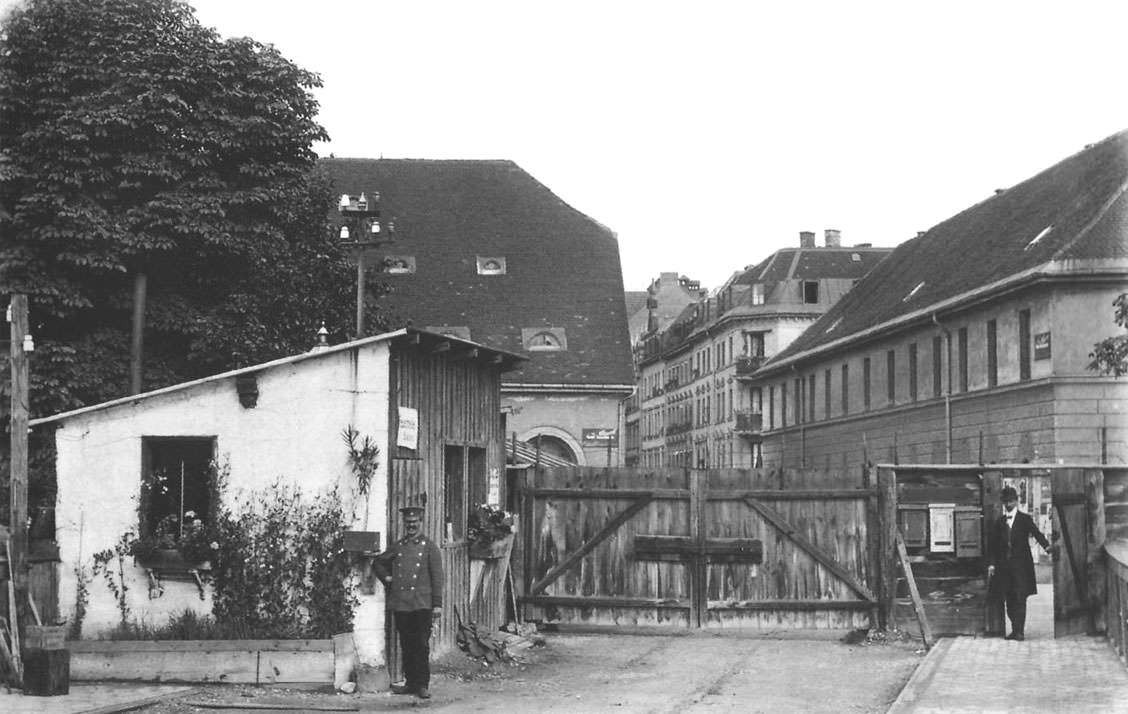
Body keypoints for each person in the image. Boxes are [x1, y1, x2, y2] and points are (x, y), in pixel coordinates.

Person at [373, 505, 444, 699]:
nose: (411, 526)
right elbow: (378, 562)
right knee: (407, 644)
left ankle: (422, 684)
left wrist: (437, 604)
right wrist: (387, 578)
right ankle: (411, 683)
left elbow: (438, 578)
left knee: (421, 645)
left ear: (421, 523)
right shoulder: (399, 546)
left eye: (415, 523)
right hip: (402, 604)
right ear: (404, 524)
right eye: (408, 523)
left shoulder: (430, 547)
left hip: (422, 604)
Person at [986, 485, 1049, 641]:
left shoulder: (1024, 519)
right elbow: (993, 545)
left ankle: (1019, 632)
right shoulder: (1000, 522)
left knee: (1020, 598)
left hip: (1021, 567)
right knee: (1009, 599)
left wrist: (1047, 547)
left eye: (1011, 501)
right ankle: (1015, 629)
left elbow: (1037, 533)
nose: (1008, 504)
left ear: (1016, 501)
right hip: (1004, 568)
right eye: (1006, 502)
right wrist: (992, 564)